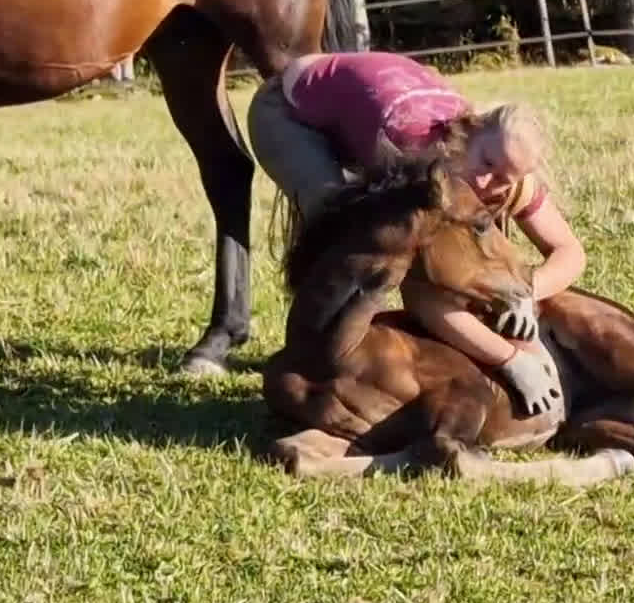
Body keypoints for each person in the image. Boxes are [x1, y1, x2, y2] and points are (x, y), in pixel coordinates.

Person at [247, 51, 586, 417]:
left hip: (362, 89)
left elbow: (569, 250)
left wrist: (528, 289)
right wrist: (510, 360)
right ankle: (313, 359)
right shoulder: (425, 172)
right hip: (289, 106)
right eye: (486, 164)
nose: (490, 183)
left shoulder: (506, 166)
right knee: (340, 223)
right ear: (471, 132)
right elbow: (424, 301)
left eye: (506, 179)